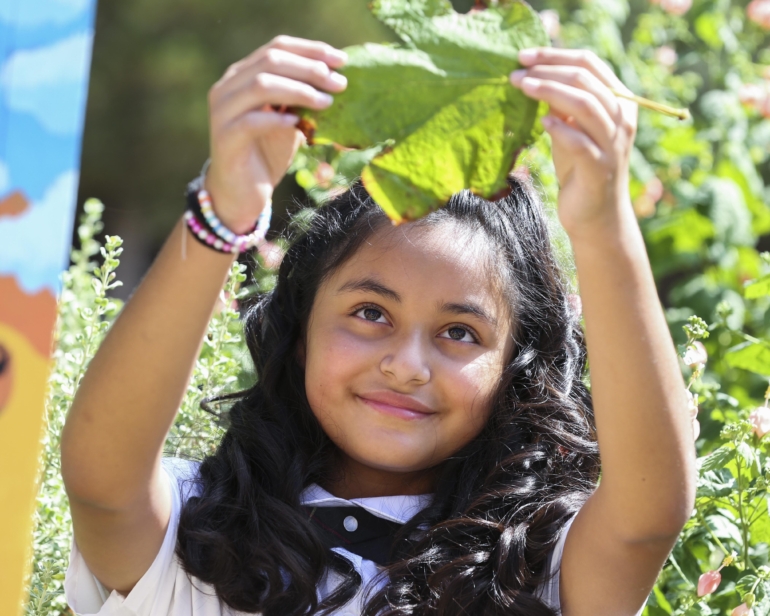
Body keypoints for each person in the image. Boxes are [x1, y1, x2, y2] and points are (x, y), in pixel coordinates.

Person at [61, 35, 696, 616]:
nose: (406, 364)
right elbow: (100, 475)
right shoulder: (194, 529)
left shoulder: (537, 564)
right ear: (300, 324)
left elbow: (649, 515)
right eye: (371, 314)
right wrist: (223, 211)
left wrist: (605, 224)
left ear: (513, 369)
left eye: (460, 333)